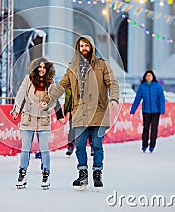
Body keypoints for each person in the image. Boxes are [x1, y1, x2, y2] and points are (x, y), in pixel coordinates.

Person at [41, 36, 119, 189]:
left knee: (97, 145)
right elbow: (61, 86)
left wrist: (114, 98)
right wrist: (48, 99)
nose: (84, 48)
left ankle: (97, 173)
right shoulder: (72, 67)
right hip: (80, 112)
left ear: (91, 47)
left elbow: (112, 83)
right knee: (80, 145)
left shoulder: (102, 65)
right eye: (81, 46)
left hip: (98, 110)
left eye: (86, 45)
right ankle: (82, 173)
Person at [11, 57, 61, 189]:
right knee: (25, 149)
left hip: (43, 119)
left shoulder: (50, 82)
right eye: (39, 67)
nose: (42, 69)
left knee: (44, 149)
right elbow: (20, 95)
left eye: (44, 67)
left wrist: (47, 105)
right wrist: (16, 110)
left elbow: (54, 100)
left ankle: (46, 173)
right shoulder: (28, 79)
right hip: (27, 118)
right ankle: (22, 173)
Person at [130, 70, 165, 153]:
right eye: (147, 76)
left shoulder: (158, 86)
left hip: (156, 111)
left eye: (150, 76)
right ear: (145, 77)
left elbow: (161, 99)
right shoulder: (142, 87)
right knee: (145, 128)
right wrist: (133, 110)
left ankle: (152, 145)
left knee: (154, 129)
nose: (148, 77)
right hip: (146, 111)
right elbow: (137, 99)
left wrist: (162, 109)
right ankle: (144, 144)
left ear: (153, 77)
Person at [64, 88, 94, 157]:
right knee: (72, 129)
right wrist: (66, 110)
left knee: (89, 128)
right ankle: (70, 146)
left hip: (87, 110)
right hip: (74, 110)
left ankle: (92, 146)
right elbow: (68, 96)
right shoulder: (71, 84)